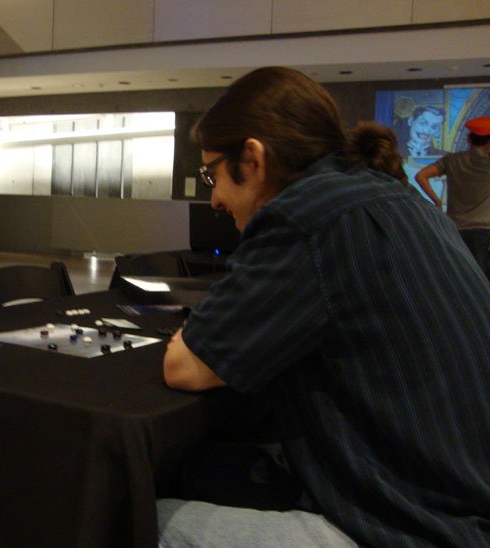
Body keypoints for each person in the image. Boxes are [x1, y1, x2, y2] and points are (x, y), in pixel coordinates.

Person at [159, 67, 490, 547]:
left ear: (253, 158)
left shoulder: (303, 216)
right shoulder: (402, 200)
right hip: (465, 507)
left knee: (133, 515)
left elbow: (186, 365)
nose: (214, 197)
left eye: (213, 173)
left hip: (411, 529)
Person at [415, 116, 490, 280]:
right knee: (481, 282)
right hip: (484, 231)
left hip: (454, 230)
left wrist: (437, 201)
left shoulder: (452, 160)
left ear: (469, 139)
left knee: (460, 277)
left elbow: (421, 176)